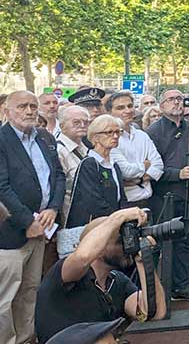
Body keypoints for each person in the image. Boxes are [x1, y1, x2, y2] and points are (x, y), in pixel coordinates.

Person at [34, 207, 166, 344]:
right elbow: (83, 257)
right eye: (120, 241)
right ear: (99, 248)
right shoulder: (64, 273)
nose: (126, 246)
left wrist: (143, 261)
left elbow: (155, 312)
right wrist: (118, 217)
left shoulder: (117, 281)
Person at [0, 91, 65, 344]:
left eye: (32, 106)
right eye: (22, 106)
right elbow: (2, 187)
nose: (29, 111)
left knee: (30, 291)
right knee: (5, 298)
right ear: (7, 110)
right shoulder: (1, 140)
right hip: (9, 234)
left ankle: (26, 339)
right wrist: (28, 222)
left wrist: (53, 208)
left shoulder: (45, 138)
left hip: (43, 228)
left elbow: (59, 176)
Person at [145, 90, 189, 303]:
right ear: (161, 105)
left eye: (180, 99)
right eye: (171, 99)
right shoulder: (153, 131)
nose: (177, 103)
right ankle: (163, 289)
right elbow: (150, 167)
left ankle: (183, 282)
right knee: (166, 241)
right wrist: (177, 174)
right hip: (166, 197)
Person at [63, 116, 127, 237]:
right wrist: (118, 218)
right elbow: (93, 201)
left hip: (112, 226)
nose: (115, 136)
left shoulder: (114, 165)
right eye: (109, 132)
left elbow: (121, 197)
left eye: (118, 132)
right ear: (96, 137)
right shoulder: (89, 164)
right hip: (92, 230)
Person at [106, 92, 163, 210]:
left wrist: (139, 179)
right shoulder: (109, 138)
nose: (127, 110)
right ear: (109, 112)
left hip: (147, 202)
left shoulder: (142, 135)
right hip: (123, 205)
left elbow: (159, 165)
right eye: (120, 108)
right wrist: (145, 165)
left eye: (130, 106)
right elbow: (126, 171)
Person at [55, 106, 91, 218]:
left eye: (86, 122)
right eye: (76, 122)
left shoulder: (85, 147)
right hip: (69, 213)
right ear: (62, 126)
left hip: (87, 209)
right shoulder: (59, 151)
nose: (82, 125)